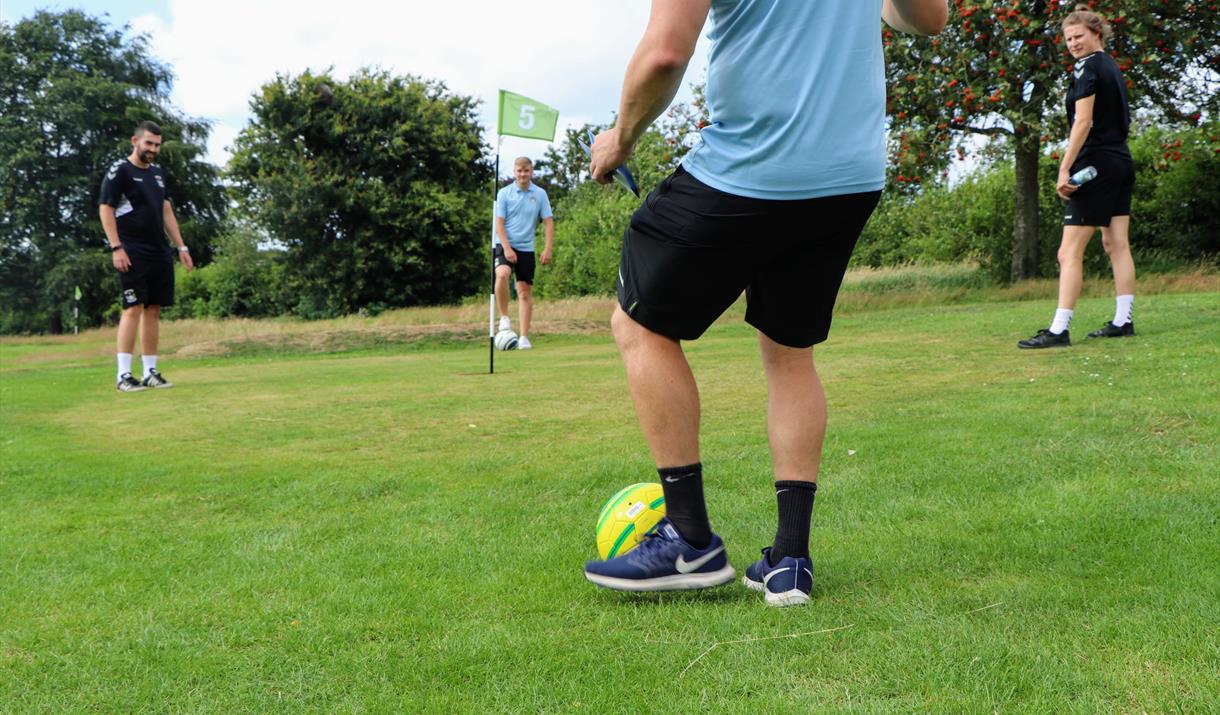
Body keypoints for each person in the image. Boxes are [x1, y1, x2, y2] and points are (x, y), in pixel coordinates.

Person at [582, 0, 948, 606]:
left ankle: (688, 540)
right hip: (847, 178)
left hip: (751, 166)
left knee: (639, 324)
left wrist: (620, 138)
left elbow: (667, 53)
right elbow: (927, 17)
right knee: (790, 350)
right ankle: (790, 561)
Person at [1019, 7, 1136, 349]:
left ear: (1096, 32)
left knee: (1068, 252)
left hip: (1096, 164)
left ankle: (1059, 329)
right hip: (1120, 160)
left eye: (1079, 36)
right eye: (1068, 39)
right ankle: (1122, 321)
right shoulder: (1112, 66)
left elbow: (1082, 122)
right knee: (1116, 243)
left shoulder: (1087, 67)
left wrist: (1064, 168)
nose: (1073, 44)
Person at [99, 120, 193, 391]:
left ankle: (150, 371)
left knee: (153, 309)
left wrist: (181, 247)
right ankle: (123, 375)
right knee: (133, 308)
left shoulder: (158, 175)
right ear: (135, 141)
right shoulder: (121, 171)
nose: (152, 149)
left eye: (157, 145)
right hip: (131, 250)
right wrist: (116, 247)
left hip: (158, 251)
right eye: (148, 143)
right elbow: (106, 208)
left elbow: (166, 212)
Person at [493, 157, 554, 350]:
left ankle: (524, 338)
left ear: (531, 172)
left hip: (527, 247)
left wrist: (547, 248)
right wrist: (508, 248)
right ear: (514, 171)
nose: (522, 174)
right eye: (519, 170)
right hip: (504, 243)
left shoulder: (540, 194)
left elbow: (548, 222)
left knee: (524, 292)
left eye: (526, 171)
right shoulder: (504, 193)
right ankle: (504, 318)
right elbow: (499, 223)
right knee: (502, 274)